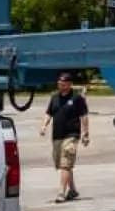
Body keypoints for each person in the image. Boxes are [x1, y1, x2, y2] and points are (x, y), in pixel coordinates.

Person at [38, 73, 90, 202]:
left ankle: (61, 192)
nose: (60, 85)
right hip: (57, 135)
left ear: (69, 84)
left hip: (71, 135)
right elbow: (49, 113)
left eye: (63, 84)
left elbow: (84, 116)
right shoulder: (54, 97)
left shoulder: (77, 98)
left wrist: (86, 133)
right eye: (59, 83)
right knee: (62, 165)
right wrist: (44, 126)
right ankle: (72, 190)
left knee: (66, 163)